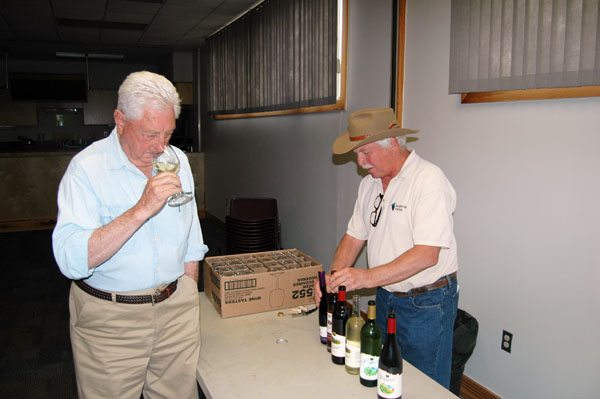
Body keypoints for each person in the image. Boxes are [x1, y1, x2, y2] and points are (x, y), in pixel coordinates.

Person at [52, 71, 208, 399]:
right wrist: (141, 209)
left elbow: (191, 231)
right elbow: (70, 259)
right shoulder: (86, 169)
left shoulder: (176, 160)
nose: (161, 146)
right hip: (111, 321)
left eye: (168, 133)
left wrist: (188, 289)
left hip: (175, 310)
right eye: (151, 134)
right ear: (120, 120)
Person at [315, 107, 458, 389]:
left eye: (366, 152)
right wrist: (335, 277)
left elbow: (428, 254)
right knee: (385, 375)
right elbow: (354, 237)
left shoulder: (428, 180)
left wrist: (365, 278)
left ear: (392, 143)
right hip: (386, 297)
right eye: (357, 153)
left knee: (425, 385)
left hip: (426, 303)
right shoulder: (370, 185)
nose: (360, 162)